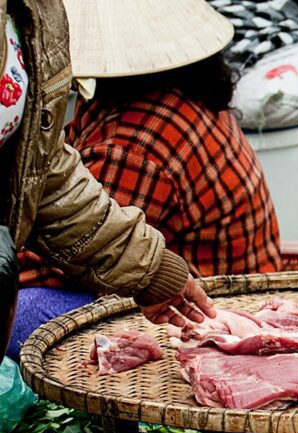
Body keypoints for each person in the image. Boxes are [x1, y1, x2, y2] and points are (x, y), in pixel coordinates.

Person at [6, 0, 277, 359]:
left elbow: (63, 256)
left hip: (199, 309)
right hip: (172, 279)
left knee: (23, 309)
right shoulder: (182, 95)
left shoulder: (137, 142)